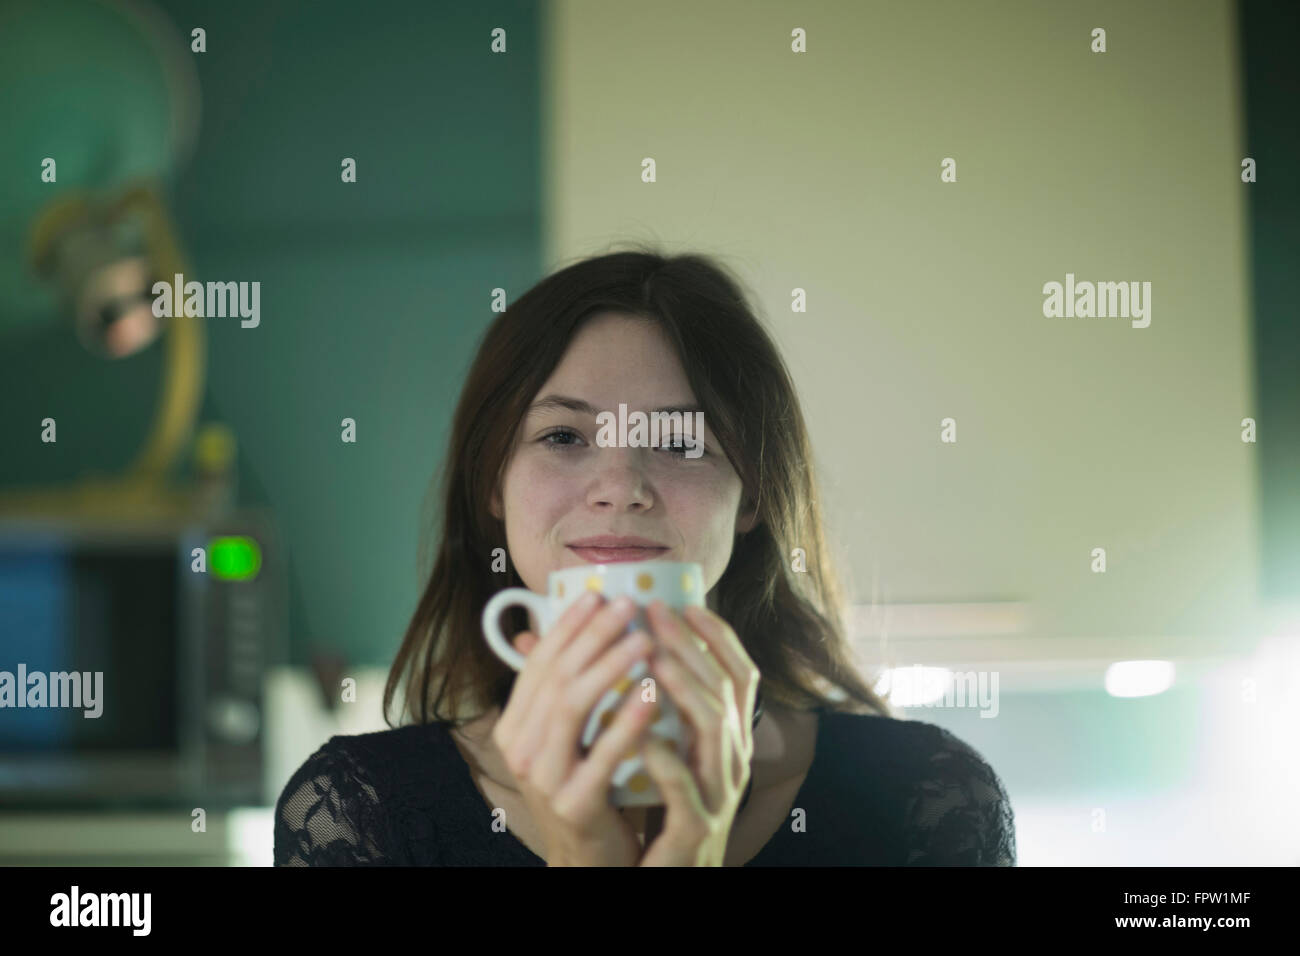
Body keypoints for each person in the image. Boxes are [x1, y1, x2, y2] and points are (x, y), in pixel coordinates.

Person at [274, 247, 1017, 866]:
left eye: (681, 444)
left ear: (752, 495)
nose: (621, 488)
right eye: (564, 437)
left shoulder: (926, 800)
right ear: (492, 484)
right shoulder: (356, 814)